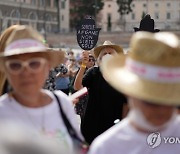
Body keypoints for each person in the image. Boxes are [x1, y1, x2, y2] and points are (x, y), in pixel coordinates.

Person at [89, 32, 180, 154]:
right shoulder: (106, 147)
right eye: (150, 101)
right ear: (129, 92)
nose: (162, 109)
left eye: (169, 99)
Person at [0, 25, 84, 154]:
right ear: (6, 70)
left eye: (34, 63)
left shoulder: (61, 103)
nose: (26, 72)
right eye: (15, 65)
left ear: (47, 67)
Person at [74, 41, 127, 144]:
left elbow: (126, 103)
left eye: (110, 53)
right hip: (93, 122)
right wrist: (83, 65)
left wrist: (124, 125)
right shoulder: (93, 73)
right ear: (100, 58)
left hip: (114, 122)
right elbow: (77, 87)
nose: (107, 55)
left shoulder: (122, 75)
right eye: (104, 53)